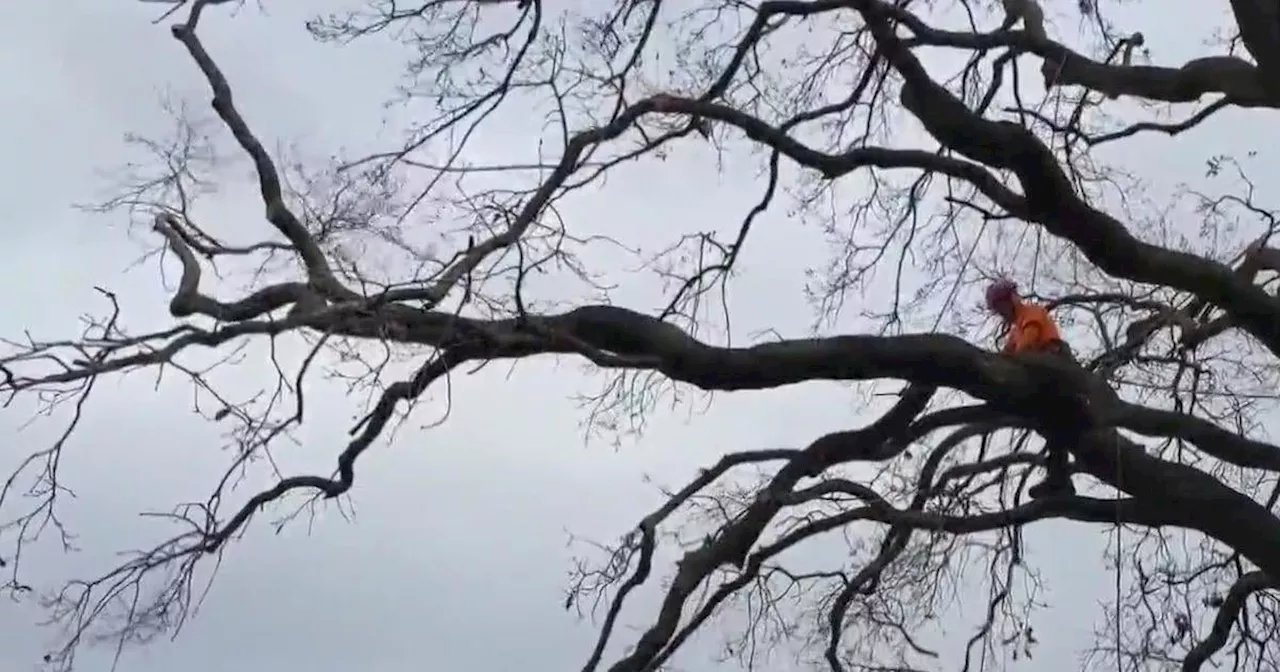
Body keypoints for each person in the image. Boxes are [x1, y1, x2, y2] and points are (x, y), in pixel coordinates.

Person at [984, 278, 1079, 498]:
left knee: (1055, 421)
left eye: (1002, 307)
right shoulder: (1015, 330)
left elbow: (1026, 348)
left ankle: (1059, 478)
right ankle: (1059, 478)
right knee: (1052, 425)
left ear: (1012, 299)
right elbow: (1005, 357)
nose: (1002, 313)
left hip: (1054, 367)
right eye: (997, 310)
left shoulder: (1032, 314)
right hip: (1041, 376)